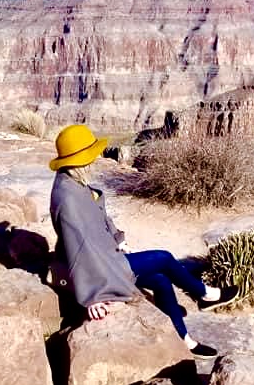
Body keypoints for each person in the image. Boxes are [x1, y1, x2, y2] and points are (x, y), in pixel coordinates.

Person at [48, 124, 238, 359]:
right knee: (163, 258)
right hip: (99, 269)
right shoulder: (67, 198)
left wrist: (119, 241)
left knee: (160, 280)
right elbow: (78, 250)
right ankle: (205, 294)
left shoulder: (73, 181)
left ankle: (185, 340)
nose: (94, 160)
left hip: (108, 257)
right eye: (90, 155)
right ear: (79, 160)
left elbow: (99, 220)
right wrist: (91, 296)